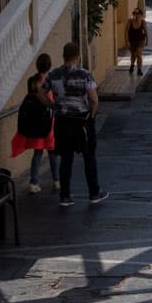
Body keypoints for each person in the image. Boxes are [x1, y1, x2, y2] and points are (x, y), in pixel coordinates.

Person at [46, 41, 108, 207]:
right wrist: (92, 116)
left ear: (64, 56)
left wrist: (52, 105)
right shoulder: (84, 74)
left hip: (62, 120)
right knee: (89, 157)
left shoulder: (53, 74)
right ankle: (94, 192)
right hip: (82, 120)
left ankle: (65, 195)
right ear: (77, 56)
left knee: (66, 157)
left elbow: (40, 90)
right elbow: (94, 99)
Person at [10, 74, 56, 193]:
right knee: (52, 154)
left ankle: (34, 182)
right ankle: (57, 180)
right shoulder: (45, 97)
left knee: (37, 154)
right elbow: (53, 108)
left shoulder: (28, 98)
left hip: (36, 132)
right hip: (48, 129)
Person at [33, 51, 60, 190]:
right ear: (49, 66)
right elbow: (53, 99)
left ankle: (34, 182)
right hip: (49, 119)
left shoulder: (33, 81)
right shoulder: (50, 81)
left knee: (37, 151)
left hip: (37, 120)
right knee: (52, 151)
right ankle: (56, 180)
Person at [126, 7, 149, 75]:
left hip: (140, 40)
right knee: (133, 55)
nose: (136, 15)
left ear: (141, 15)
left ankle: (139, 69)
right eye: (135, 14)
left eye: (138, 14)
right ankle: (132, 65)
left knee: (139, 54)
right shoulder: (130, 21)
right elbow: (126, 31)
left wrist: (147, 40)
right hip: (132, 40)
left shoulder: (143, 22)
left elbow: (145, 31)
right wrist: (127, 41)